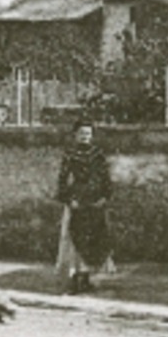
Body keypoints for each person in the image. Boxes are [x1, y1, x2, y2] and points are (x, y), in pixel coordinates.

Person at [55, 121, 113, 294]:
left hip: (94, 201)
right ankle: (73, 279)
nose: (85, 137)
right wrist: (69, 199)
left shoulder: (98, 155)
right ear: (75, 135)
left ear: (92, 136)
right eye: (81, 134)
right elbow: (62, 179)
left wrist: (104, 197)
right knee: (72, 238)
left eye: (88, 134)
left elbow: (105, 177)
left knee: (92, 238)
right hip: (77, 200)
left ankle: (86, 278)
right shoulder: (70, 154)